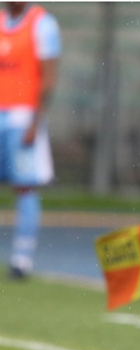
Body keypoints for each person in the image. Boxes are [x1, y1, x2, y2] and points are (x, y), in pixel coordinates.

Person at [0, 2, 60, 279]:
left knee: (25, 186)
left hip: (23, 117)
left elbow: (49, 76)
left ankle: (22, 257)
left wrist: (37, 120)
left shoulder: (42, 24)